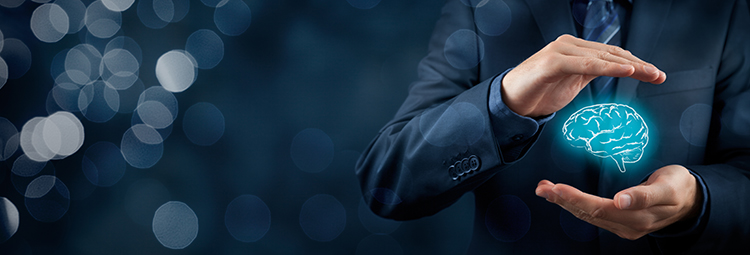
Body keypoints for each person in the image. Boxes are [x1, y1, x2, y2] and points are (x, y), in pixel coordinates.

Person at [356, 0, 750, 254]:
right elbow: (388, 182)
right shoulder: (480, 7)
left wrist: (698, 201)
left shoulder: (722, 9)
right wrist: (503, 101)